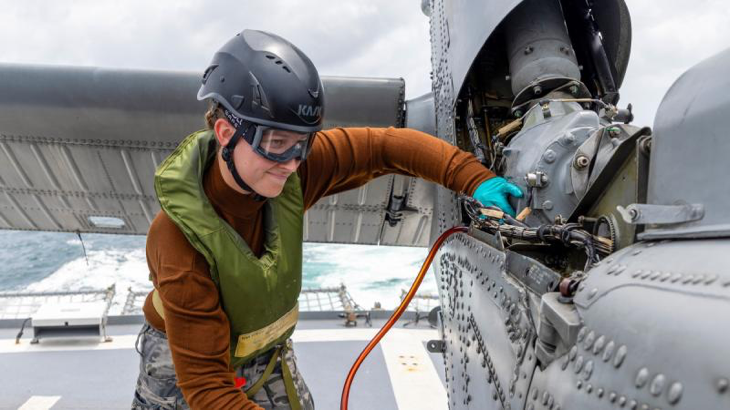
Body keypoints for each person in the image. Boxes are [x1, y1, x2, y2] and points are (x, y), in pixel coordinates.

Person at [132, 29, 522, 410]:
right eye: (275, 144)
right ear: (225, 132)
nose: (291, 163)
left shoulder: (289, 168)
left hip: (263, 350)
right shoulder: (176, 240)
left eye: (303, 144)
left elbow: (386, 146)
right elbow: (209, 391)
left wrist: (473, 179)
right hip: (182, 364)